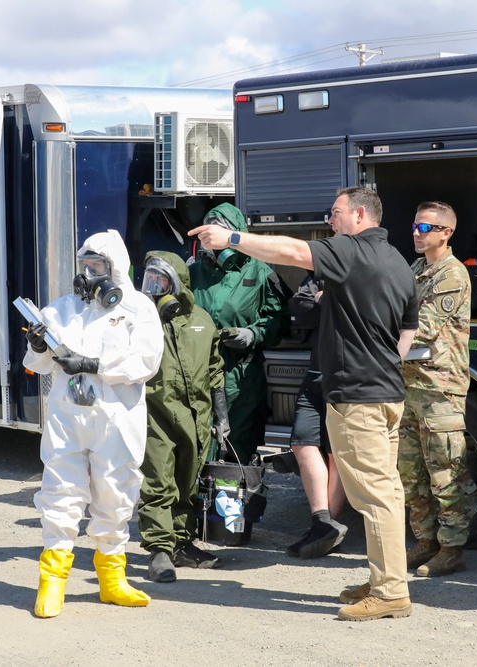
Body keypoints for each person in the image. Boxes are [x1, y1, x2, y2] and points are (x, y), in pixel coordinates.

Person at [189, 188, 418, 622]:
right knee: (385, 491)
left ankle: (390, 592)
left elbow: (292, 251)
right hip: (386, 393)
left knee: (375, 497)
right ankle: (384, 579)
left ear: (360, 214)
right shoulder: (398, 262)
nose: (331, 221)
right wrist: (382, 366)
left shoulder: (351, 251)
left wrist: (232, 238)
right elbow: (408, 332)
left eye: (335, 213)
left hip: (357, 397)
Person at [24, 229, 164, 619]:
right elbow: (37, 364)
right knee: (59, 492)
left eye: (97, 266)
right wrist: (38, 346)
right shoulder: (61, 309)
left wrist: (91, 365)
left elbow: (146, 364)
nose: (88, 273)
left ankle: (112, 581)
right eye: (84, 265)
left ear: (115, 270)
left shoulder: (137, 309)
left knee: (116, 493)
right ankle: (52, 582)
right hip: (68, 416)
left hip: (117, 418)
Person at [137, 251, 227, 583]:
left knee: (188, 482)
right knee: (160, 480)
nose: (154, 288)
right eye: (149, 280)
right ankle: (160, 550)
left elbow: (216, 370)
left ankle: (182, 543)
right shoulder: (141, 320)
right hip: (155, 413)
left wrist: (221, 416)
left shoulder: (202, 320)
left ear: (179, 283)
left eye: (161, 280)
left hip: (197, 418)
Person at [399, 201, 475, 578]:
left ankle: (452, 548)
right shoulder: (417, 269)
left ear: (446, 233)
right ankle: (425, 541)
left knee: (446, 471)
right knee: (411, 472)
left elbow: (422, 327)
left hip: (438, 388)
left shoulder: (451, 274)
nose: (417, 232)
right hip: (410, 387)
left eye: (426, 228)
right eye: (416, 226)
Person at [188, 202, 290, 468]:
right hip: (197, 374)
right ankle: (200, 505)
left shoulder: (260, 271)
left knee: (237, 448)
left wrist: (252, 334)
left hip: (240, 378)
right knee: (196, 445)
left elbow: (279, 321)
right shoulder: (191, 273)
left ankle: (237, 506)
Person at [284, 274, 349, 559]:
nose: (332, 225)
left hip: (347, 375)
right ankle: (323, 523)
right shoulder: (321, 272)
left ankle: (328, 528)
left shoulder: (365, 265)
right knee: (302, 441)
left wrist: (325, 299)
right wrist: (325, 301)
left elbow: (359, 309)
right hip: (315, 373)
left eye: (335, 224)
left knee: (337, 452)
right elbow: (299, 307)